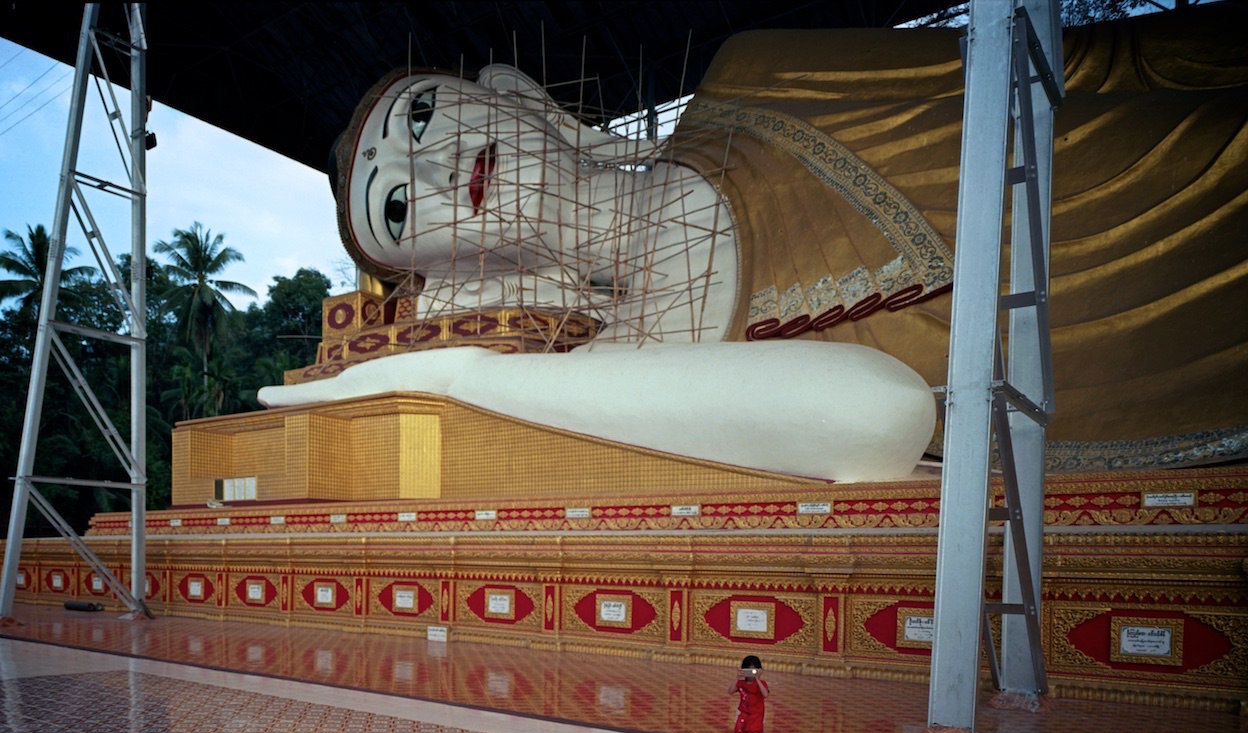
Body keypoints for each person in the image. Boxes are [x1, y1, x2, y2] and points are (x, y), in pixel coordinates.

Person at [259, 8, 1247, 476]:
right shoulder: (623, 385)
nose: (430, 170)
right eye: (396, 208)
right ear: (444, 274)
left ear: (517, 98)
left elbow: (1091, 60)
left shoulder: (757, 79)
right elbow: (877, 418)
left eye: (423, 116)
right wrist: (453, 374)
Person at [728, 655, 769, 733]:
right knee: (738, 732)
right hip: (744, 713)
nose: (750, 673)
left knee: (753, 731)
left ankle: (760, 728)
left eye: (753, 670)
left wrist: (757, 678)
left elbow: (765, 694)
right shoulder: (741, 683)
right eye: (748, 670)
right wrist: (737, 677)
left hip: (756, 713)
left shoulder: (761, 683)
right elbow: (730, 691)